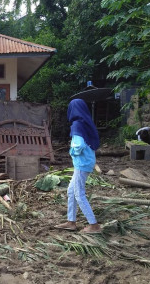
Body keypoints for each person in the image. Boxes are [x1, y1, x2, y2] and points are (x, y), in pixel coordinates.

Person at [55, 99, 101, 234]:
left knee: (79, 194)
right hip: (87, 162)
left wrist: (71, 151)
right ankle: (71, 222)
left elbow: (79, 145)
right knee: (71, 191)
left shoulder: (76, 125)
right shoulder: (86, 123)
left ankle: (94, 225)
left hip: (82, 164)